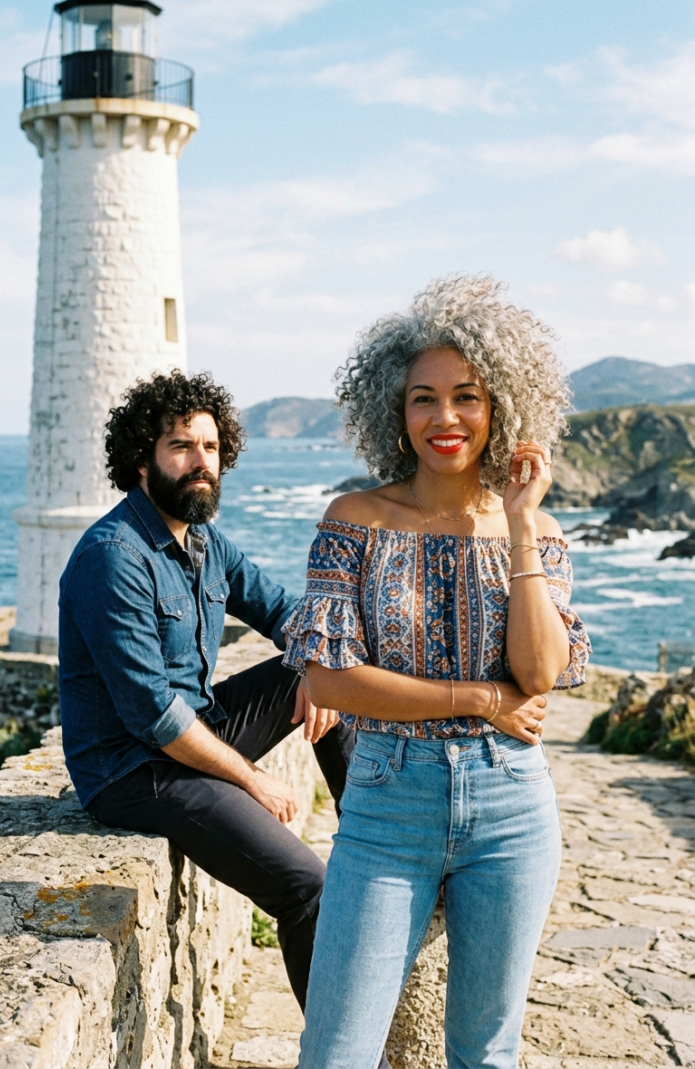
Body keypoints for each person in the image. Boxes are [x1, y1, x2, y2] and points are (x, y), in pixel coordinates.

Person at [282, 276, 591, 1069]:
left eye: (467, 396)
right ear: (396, 406)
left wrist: (520, 523)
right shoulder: (355, 518)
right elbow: (329, 682)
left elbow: (542, 671)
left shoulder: (539, 529)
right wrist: (482, 699)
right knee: (336, 1051)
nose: (444, 418)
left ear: (502, 406)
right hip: (388, 803)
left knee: (486, 1051)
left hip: (512, 806)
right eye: (424, 398)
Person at [57, 370, 355, 1012]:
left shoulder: (205, 541)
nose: (201, 462)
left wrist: (316, 663)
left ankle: (379, 843)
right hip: (132, 770)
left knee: (318, 672)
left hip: (199, 727)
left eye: (211, 448)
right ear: (142, 461)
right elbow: (155, 718)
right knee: (308, 888)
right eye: (181, 447)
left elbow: (286, 613)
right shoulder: (113, 557)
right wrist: (250, 777)